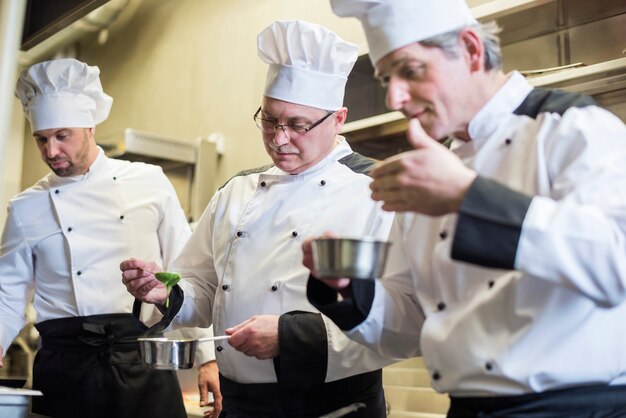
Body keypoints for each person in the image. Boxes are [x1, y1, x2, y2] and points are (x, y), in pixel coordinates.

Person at [303, 0, 626, 417]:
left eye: (411, 70)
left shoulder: (575, 128)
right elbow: (412, 321)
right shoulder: (433, 168)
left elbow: (615, 261)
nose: (395, 96)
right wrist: (347, 289)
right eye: (387, 79)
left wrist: (468, 197)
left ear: (471, 49)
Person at [121, 20, 396, 418]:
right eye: (269, 120)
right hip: (241, 405)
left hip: (334, 405)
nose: (279, 138)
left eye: (298, 125)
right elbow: (203, 286)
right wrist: (165, 292)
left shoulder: (377, 191)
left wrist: (290, 338)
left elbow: (396, 314)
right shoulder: (236, 191)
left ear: (339, 118)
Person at [0, 58, 191, 418]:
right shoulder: (25, 208)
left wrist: (208, 359)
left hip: (141, 358)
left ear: (89, 127)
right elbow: (7, 294)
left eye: (62, 136)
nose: (51, 151)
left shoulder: (148, 181)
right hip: (65, 365)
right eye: (41, 139)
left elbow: (187, 271)